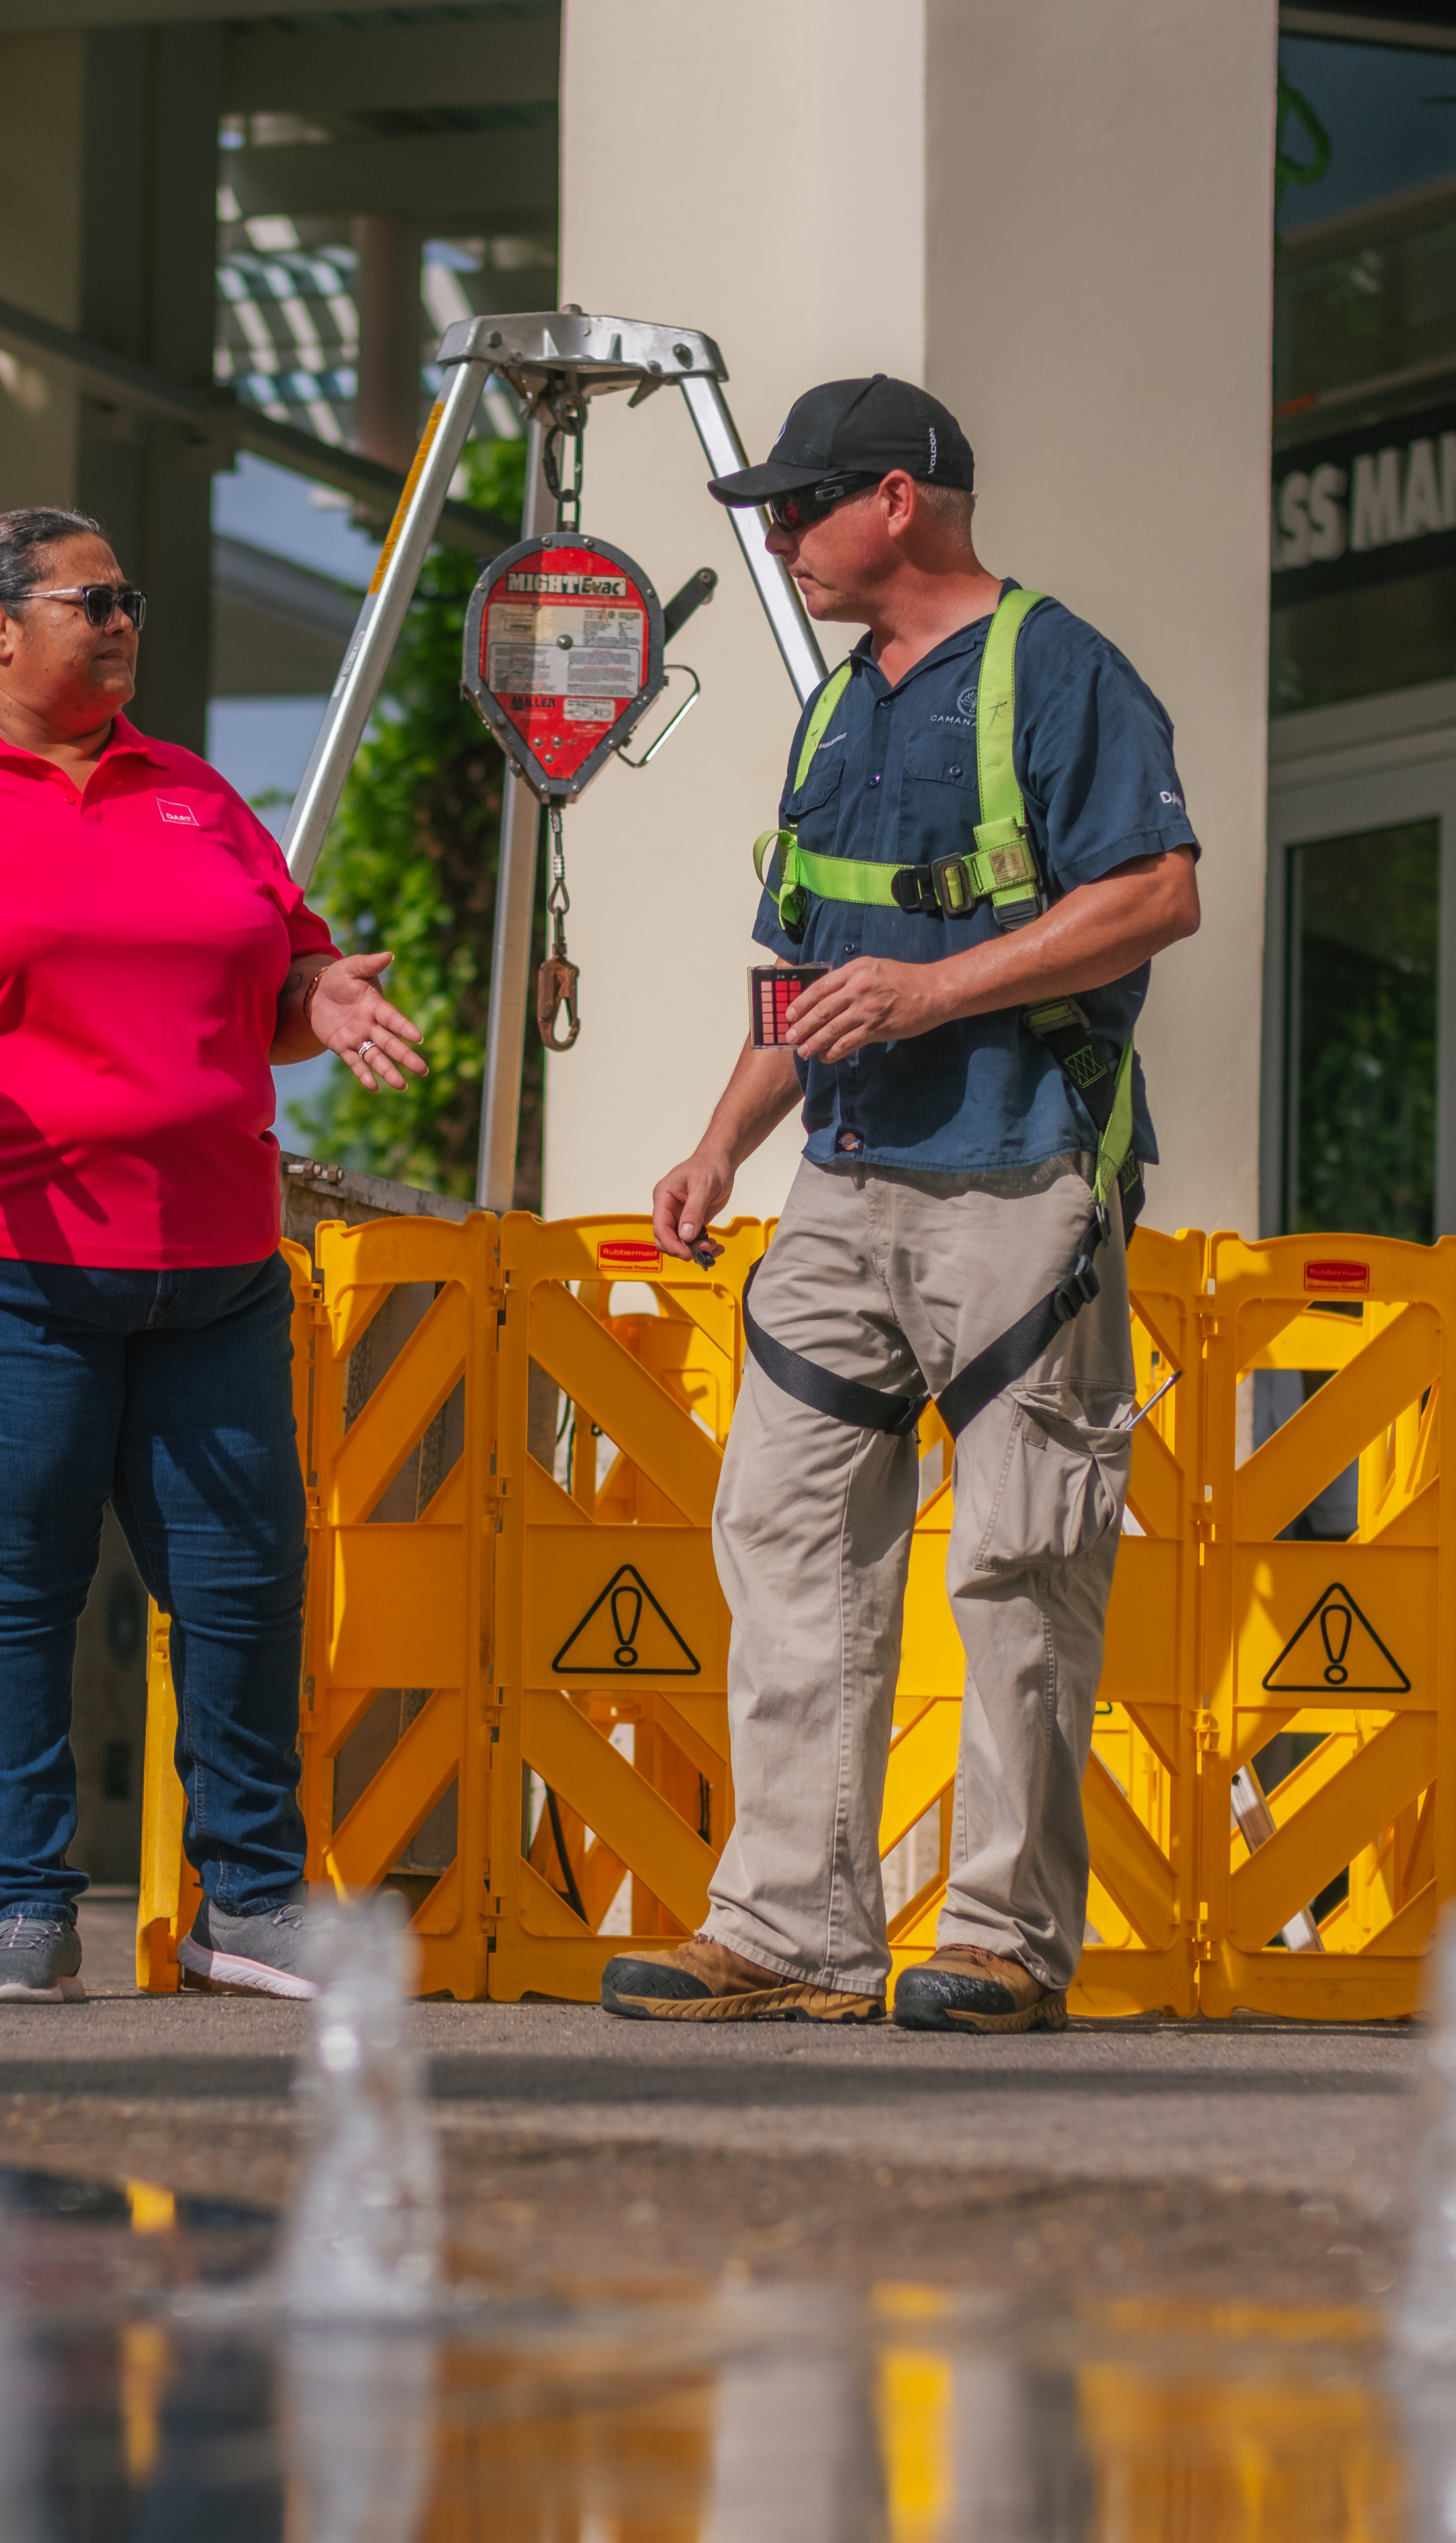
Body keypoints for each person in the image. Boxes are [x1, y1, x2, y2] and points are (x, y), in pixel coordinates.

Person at [0, 506, 427, 2004]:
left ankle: (249, 1902)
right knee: (15, 1576)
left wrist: (328, 999)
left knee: (244, 1576)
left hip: (207, 1254)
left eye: (134, 596)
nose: (122, 621)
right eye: (90, 598)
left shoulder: (186, 790)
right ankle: (33, 1915)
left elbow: (273, 973)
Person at [598, 377, 1203, 2035]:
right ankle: (792, 1924)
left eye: (799, 509)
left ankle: (1005, 1939)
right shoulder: (835, 709)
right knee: (784, 1538)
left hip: (1022, 1186)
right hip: (842, 1192)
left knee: (1020, 1565)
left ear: (898, 500)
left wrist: (937, 999)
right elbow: (806, 967)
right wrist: (723, 1140)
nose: (778, 539)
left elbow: (1159, 893)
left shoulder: (1057, 671)